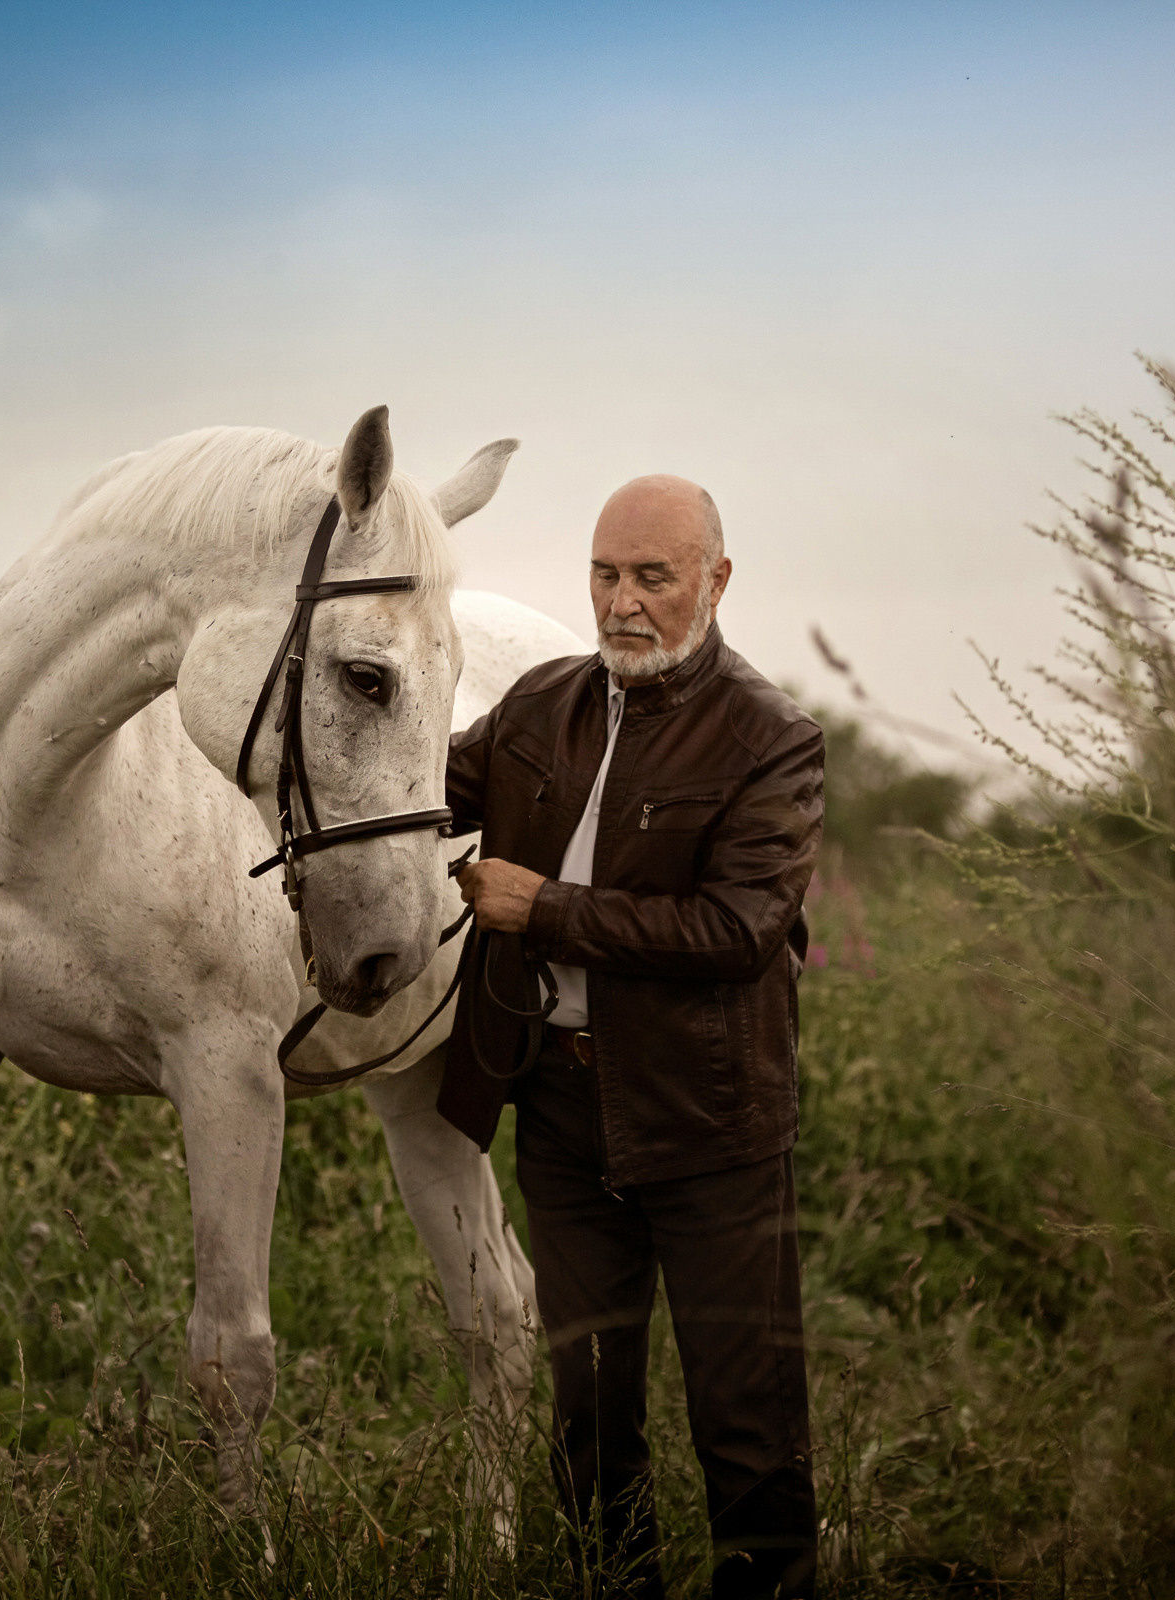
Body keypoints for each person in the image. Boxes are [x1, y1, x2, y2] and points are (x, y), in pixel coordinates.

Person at [443, 475, 825, 1599]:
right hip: (561, 1114)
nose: (623, 602)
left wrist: (541, 909)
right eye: (606, 574)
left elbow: (738, 929)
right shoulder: (538, 706)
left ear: (716, 580)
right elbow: (417, 785)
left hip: (710, 1121)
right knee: (589, 1420)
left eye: (653, 577)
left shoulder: (772, 737)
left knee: (747, 1427)